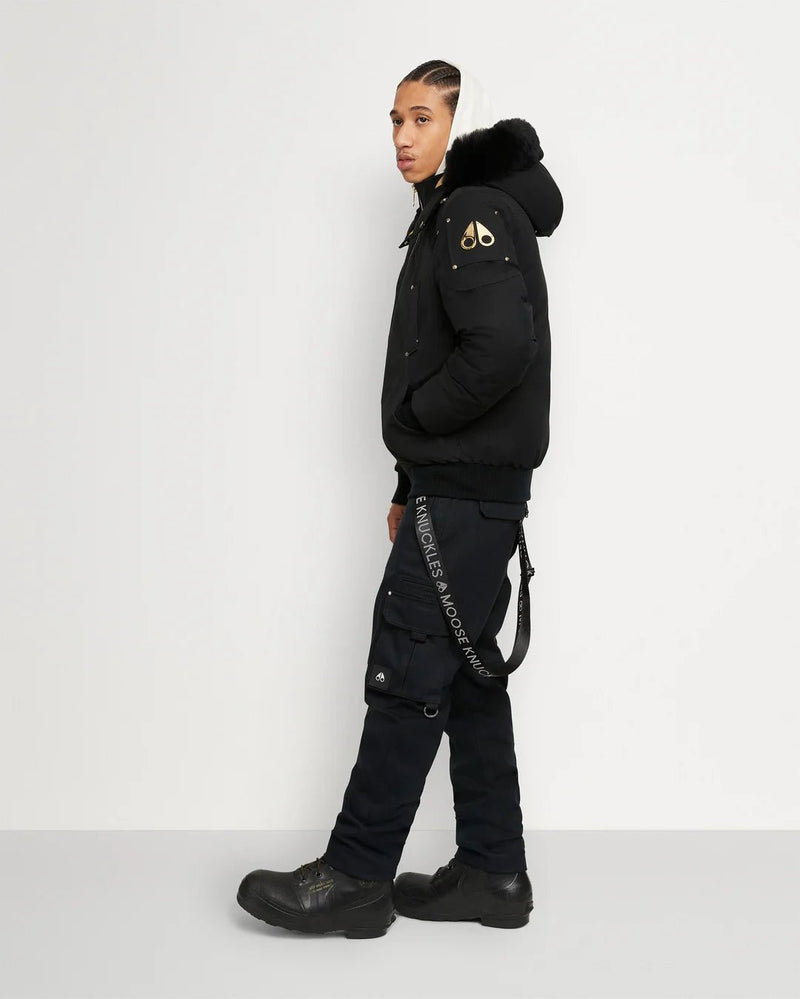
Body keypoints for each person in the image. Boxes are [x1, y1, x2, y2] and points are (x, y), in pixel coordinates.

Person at [237, 58, 563, 939]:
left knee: (408, 662)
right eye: (395, 119)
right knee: (466, 675)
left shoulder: (470, 213)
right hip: (462, 491)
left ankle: (355, 873)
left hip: (465, 495)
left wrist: (415, 429)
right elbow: (450, 351)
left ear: (463, 124)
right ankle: (493, 873)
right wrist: (408, 479)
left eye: (422, 118)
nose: (403, 137)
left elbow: (499, 350)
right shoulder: (453, 210)